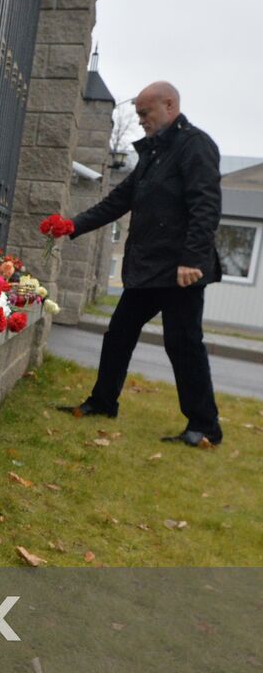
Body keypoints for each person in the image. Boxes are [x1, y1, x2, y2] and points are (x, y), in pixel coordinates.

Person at [51, 81, 223, 447]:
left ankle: (205, 426)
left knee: (184, 343)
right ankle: (102, 402)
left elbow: (205, 205)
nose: (141, 120)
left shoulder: (195, 146)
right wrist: (74, 225)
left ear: (170, 105)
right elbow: (118, 200)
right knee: (119, 334)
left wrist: (192, 258)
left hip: (181, 270)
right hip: (150, 269)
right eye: (139, 114)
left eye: (146, 113)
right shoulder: (155, 155)